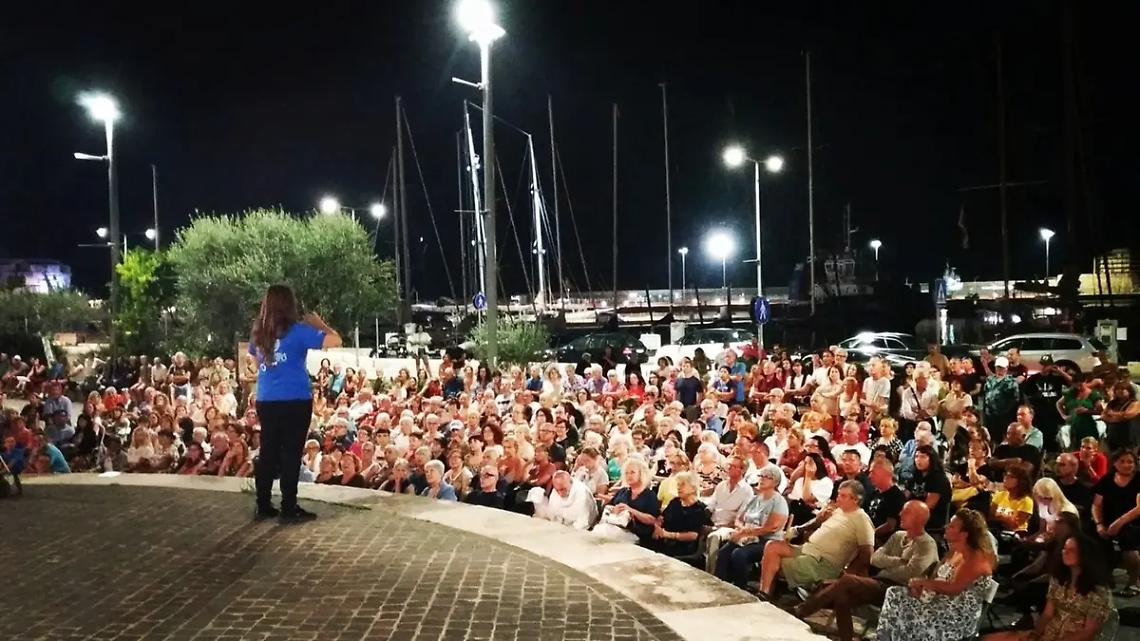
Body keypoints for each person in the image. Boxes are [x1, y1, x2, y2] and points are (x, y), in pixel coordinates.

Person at [249, 284, 342, 522]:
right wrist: (319, 324)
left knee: (268, 452)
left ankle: (263, 504)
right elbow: (336, 340)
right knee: (291, 452)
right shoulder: (299, 331)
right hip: (295, 398)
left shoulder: (258, 331)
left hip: (266, 398)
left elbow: (253, 358)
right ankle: (288, 507)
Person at [795, 501, 939, 641]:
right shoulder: (898, 536)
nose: (900, 514)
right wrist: (899, 561)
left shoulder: (927, 544)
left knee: (847, 580)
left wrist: (888, 565)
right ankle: (846, 638)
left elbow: (911, 572)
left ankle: (802, 610)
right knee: (842, 595)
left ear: (919, 518)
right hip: (880, 582)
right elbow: (875, 558)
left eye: (906, 512)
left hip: (901, 591)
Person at [875, 508, 997, 641]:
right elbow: (936, 577)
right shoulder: (954, 551)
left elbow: (953, 588)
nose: (946, 527)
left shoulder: (975, 558)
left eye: (951, 526)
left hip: (955, 615)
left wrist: (924, 583)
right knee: (895, 594)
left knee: (901, 607)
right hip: (938, 601)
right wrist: (921, 587)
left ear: (964, 534)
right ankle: (885, 638)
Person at [758, 480, 875, 599]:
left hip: (823, 562)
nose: (838, 498)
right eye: (838, 494)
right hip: (808, 549)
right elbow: (815, 523)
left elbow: (867, 553)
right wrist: (819, 519)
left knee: (772, 563)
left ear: (856, 499)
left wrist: (848, 575)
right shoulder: (838, 511)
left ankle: (766, 595)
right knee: (772, 546)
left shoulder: (862, 520)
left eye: (843, 496)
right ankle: (765, 593)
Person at [982, 535, 1113, 641]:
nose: (1064, 552)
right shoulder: (1059, 579)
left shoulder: (1098, 591)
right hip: (1050, 633)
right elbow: (1047, 614)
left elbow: (1088, 632)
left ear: (1085, 555)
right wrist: (1035, 634)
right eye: (1064, 548)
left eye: (1071, 550)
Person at [714, 465, 788, 588]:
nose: (762, 479)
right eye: (761, 476)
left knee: (739, 554)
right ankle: (719, 584)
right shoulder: (755, 499)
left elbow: (772, 527)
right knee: (724, 551)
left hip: (768, 541)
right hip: (747, 536)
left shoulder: (779, 501)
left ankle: (740, 587)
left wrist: (748, 532)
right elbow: (739, 518)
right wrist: (741, 528)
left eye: (767, 477)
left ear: (775, 482)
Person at [1091, 449, 1140, 597]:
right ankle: (1103, 578)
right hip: (1108, 522)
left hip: (1134, 522)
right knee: (1090, 536)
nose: (1126, 465)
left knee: (1128, 538)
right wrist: (1099, 524)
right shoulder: (1107, 480)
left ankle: (1133, 582)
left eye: (1130, 462)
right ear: (1115, 463)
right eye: (1122, 461)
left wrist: (1117, 524)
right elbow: (1096, 505)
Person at [648, 471, 712, 558]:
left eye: (682, 484)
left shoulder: (699, 508)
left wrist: (668, 535)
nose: (678, 487)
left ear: (693, 488)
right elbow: (662, 517)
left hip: (683, 548)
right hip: (664, 542)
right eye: (678, 484)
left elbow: (693, 535)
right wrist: (657, 527)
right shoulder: (675, 502)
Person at [1021, 356, 1067, 453]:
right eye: (1042, 365)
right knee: (1040, 435)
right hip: (1039, 413)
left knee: (1052, 436)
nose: (1044, 367)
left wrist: (1060, 372)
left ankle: (1051, 454)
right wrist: (1029, 408)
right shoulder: (1033, 379)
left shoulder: (1057, 378)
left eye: (1047, 365)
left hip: (1053, 413)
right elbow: (1025, 394)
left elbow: (1072, 382)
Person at [902, 445, 952, 531]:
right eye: (916, 456)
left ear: (931, 459)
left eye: (923, 457)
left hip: (930, 521)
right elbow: (905, 497)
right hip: (912, 515)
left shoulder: (939, 480)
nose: (918, 460)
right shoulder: (915, 477)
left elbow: (927, 507)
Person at [1058, 375, 1104, 450]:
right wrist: (1063, 415)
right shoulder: (1070, 393)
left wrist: (1087, 411)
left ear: (1085, 382)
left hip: (1087, 422)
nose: (1078, 388)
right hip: (1072, 420)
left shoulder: (1093, 394)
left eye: (1080, 385)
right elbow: (1059, 403)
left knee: (1081, 418)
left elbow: (1100, 411)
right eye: (1076, 386)